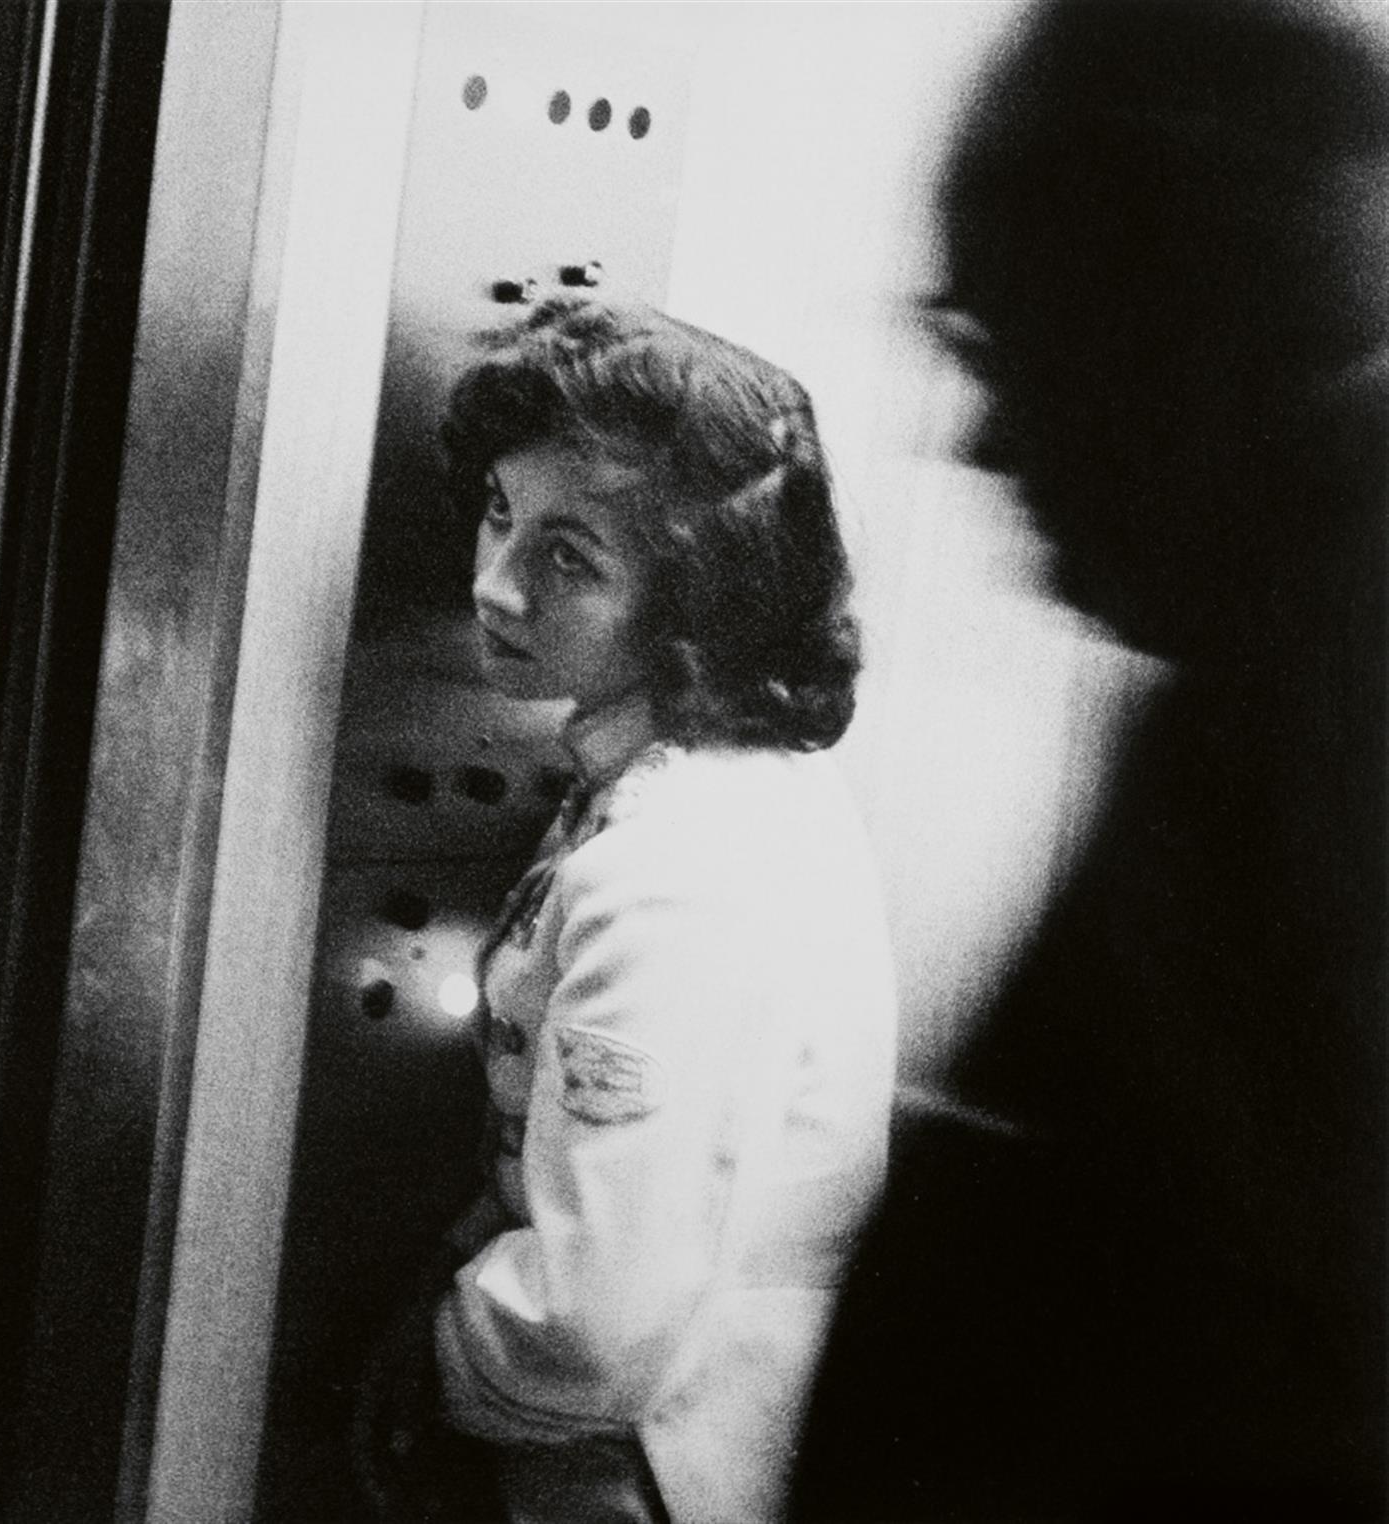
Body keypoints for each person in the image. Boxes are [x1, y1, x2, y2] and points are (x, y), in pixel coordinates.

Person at [790, 3, 1389, 1519]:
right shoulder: (1264, 659)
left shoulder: (1331, 695)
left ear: (1173, 305)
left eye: (1001, 340)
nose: (976, 441)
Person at [356, 296, 899, 1524]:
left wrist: (427, 1348)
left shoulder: (674, 871)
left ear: (695, 598)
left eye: (568, 557)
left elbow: (598, 1327)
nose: (494, 584)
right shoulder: (721, 787)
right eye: (501, 514)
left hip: (636, 1474)